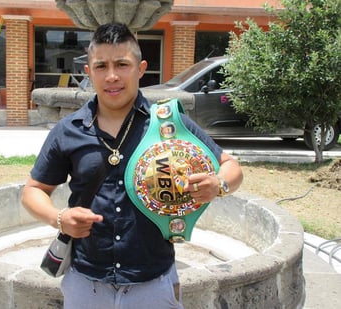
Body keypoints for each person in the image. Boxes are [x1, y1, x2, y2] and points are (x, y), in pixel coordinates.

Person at [22, 23, 243, 309]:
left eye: (122, 64)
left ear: (141, 68)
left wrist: (219, 185)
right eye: (101, 66)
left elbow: (231, 167)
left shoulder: (168, 125)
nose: (112, 76)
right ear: (88, 72)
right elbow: (33, 190)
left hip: (152, 280)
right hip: (86, 281)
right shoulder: (68, 130)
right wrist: (59, 218)